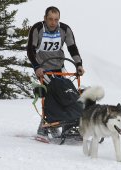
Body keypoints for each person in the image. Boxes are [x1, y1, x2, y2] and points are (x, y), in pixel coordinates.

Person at [27, 6, 85, 139]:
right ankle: (45, 126)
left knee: (67, 91)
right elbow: (30, 50)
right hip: (43, 68)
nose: (53, 22)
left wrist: (79, 65)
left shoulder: (64, 29)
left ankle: (66, 121)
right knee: (51, 92)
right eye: (50, 19)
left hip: (59, 66)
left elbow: (72, 48)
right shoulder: (38, 28)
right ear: (45, 18)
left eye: (56, 19)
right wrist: (36, 67)